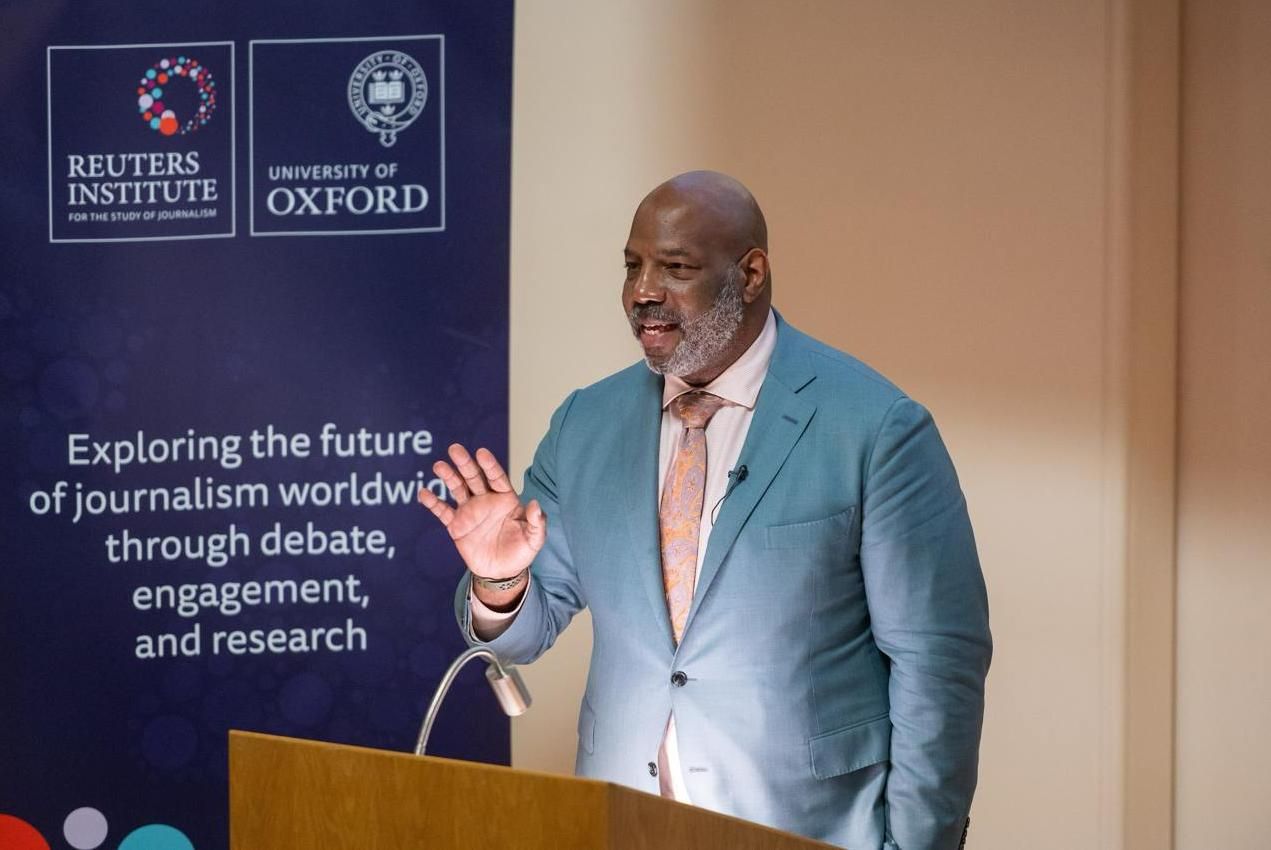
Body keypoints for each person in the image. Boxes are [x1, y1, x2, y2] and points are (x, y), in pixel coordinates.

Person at [418, 171, 991, 850]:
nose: (642, 292)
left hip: (805, 826)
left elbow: (935, 662)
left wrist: (919, 845)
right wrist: (499, 581)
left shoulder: (875, 429)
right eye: (632, 266)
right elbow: (520, 635)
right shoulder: (585, 424)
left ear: (749, 274)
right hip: (625, 820)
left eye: (675, 267)